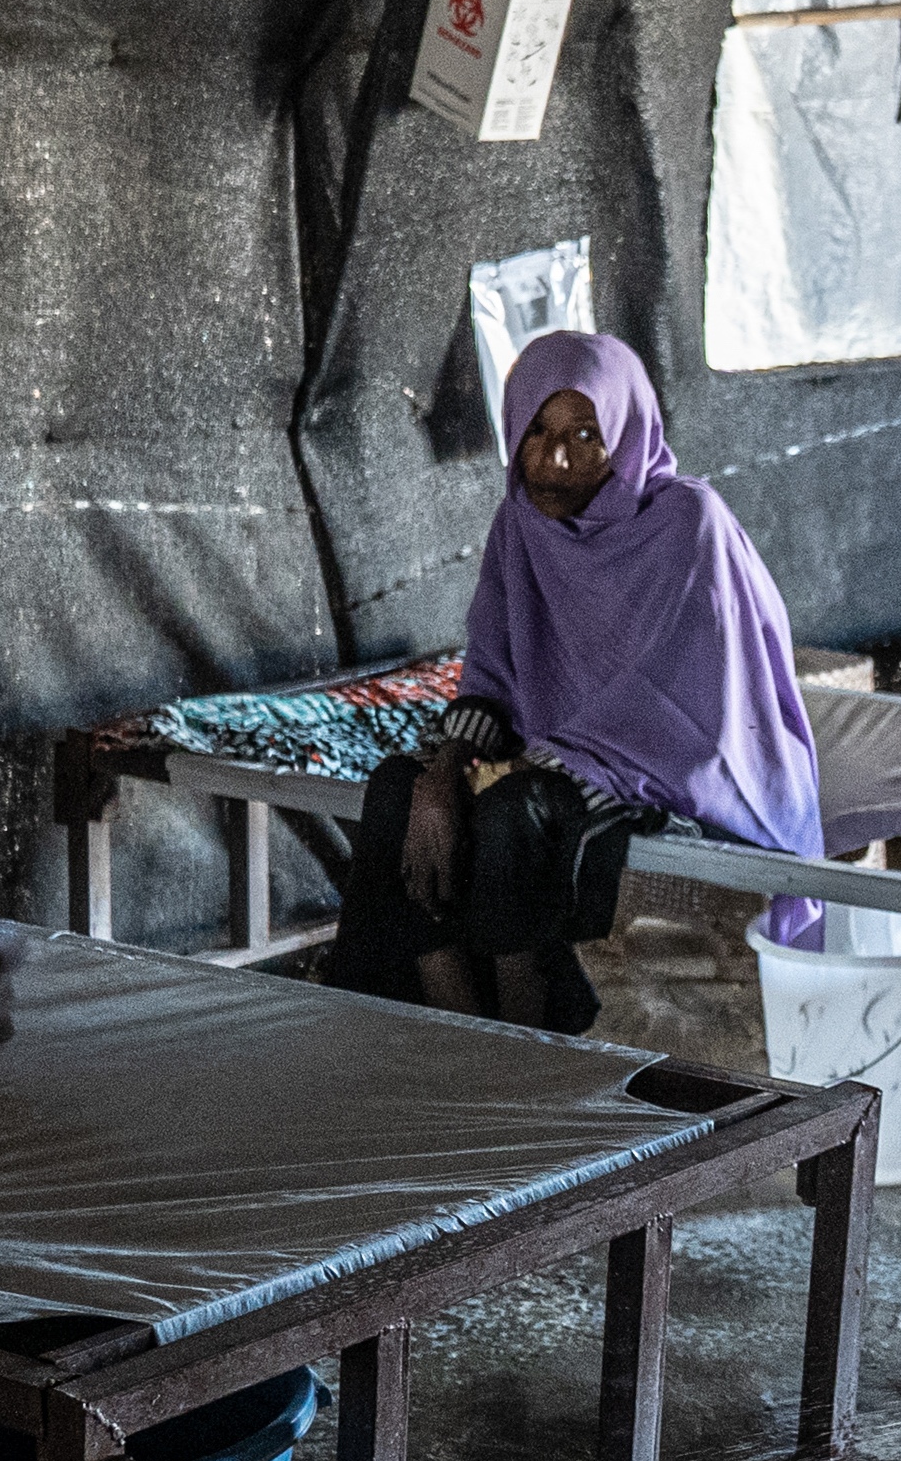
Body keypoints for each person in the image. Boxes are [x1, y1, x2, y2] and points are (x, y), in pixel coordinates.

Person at [327, 332, 825, 1031]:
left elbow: (681, 704)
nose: (554, 459)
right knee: (398, 792)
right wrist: (443, 773)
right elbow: (493, 671)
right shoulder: (521, 524)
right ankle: (457, 1030)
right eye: (537, 431)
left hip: (683, 771)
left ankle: (524, 1038)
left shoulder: (686, 522)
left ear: (625, 435)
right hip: (556, 757)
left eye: (585, 435)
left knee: (512, 813)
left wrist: (526, 767)